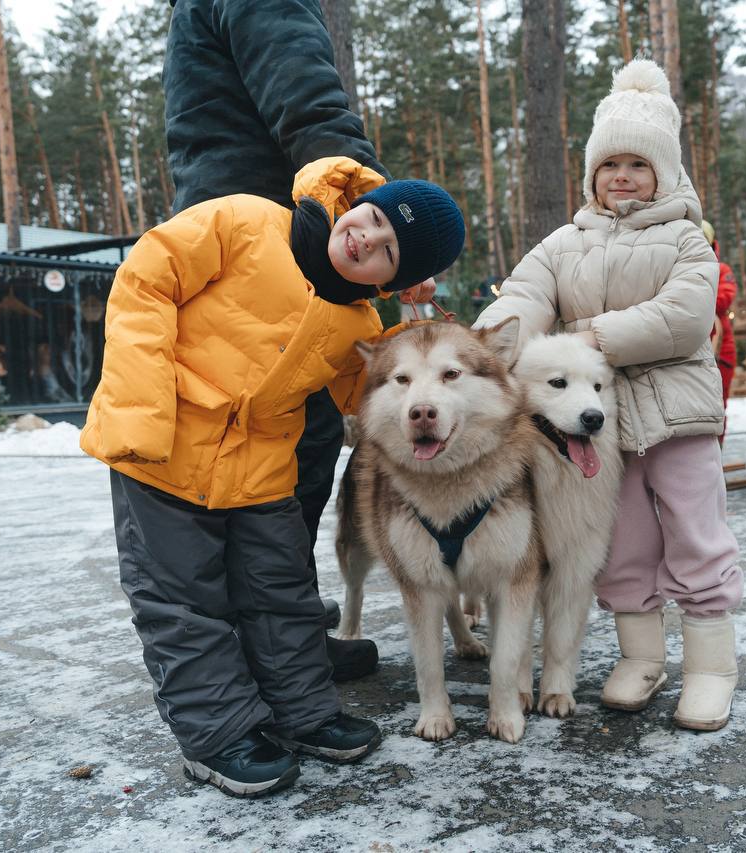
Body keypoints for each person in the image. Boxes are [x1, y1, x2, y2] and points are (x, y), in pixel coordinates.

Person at [80, 157, 466, 797]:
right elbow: (145, 279)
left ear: (393, 280)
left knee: (282, 592)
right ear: (355, 206)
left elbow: (367, 397)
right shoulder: (246, 221)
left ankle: (303, 711)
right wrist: (141, 407)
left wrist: (427, 346)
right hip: (163, 450)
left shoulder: (359, 323)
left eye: (389, 252)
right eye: (373, 218)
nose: (367, 238)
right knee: (184, 604)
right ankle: (218, 736)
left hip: (262, 471)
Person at [164, 0, 435, 681]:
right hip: (271, 246)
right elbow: (307, 101)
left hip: (222, 232)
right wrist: (389, 221)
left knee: (242, 448)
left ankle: (267, 629)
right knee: (291, 447)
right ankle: (271, 647)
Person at [473, 59, 742, 732]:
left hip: (679, 417)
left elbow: (685, 316)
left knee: (695, 533)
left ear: (665, 173)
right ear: (592, 173)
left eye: (638, 164)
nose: (622, 176)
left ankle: (711, 668)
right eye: (609, 164)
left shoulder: (686, 237)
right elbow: (525, 295)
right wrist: (485, 347)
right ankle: (641, 657)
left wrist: (589, 336)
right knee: (621, 543)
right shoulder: (564, 243)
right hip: (601, 428)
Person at [700, 219, 738, 443]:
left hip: (720, 350)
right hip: (690, 348)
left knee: (718, 405)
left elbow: (723, 300)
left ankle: (716, 451)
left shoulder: (722, 270)